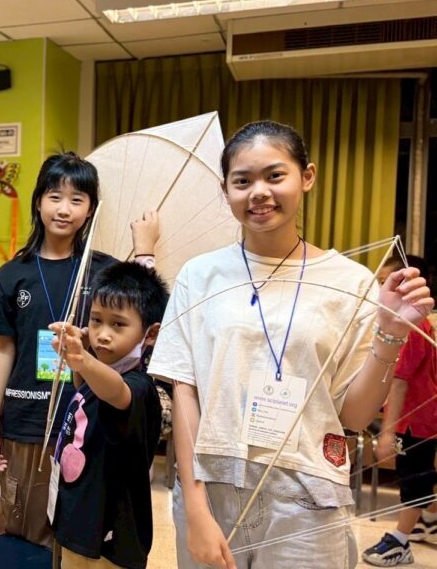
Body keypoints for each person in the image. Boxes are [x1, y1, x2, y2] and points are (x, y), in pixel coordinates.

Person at [149, 120, 434, 569]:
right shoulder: (198, 275)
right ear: (225, 191)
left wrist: (391, 331)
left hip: (308, 495)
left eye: (274, 175)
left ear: (307, 177)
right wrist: (197, 509)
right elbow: (185, 392)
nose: (258, 192)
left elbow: (354, 416)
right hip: (212, 487)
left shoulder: (351, 281)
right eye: (242, 181)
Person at [0, 152, 159, 548]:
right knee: (24, 526)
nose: (64, 209)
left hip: (85, 421)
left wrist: (144, 250)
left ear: (91, 209)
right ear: (38, 202)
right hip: (25, 418)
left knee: (76, 528)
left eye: (77, 200)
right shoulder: (12, 273)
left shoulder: (104, 271)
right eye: (54, 197)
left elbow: (142, 320)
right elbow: (3, 350)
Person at [49, 261, 169, 568]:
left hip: (111, 534)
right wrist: (82, 353)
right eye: (96, 320)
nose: (102, 334)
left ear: (150, 334)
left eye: (118, 324)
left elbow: (116, 392)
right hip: (79, 518)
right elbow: (85, 387)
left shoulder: (140, 387)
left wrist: (82, 359)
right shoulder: (97, 370)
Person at [362, 255, 437, 566]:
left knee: (414, 477)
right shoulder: (417, 324)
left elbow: (400, 382)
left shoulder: (412, 326)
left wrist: (387, 432)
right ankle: (429, 520)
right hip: (423, 417)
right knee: (422, 472)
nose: (379, 288)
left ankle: (400, 540)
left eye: (385, 282)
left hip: (415, 420)